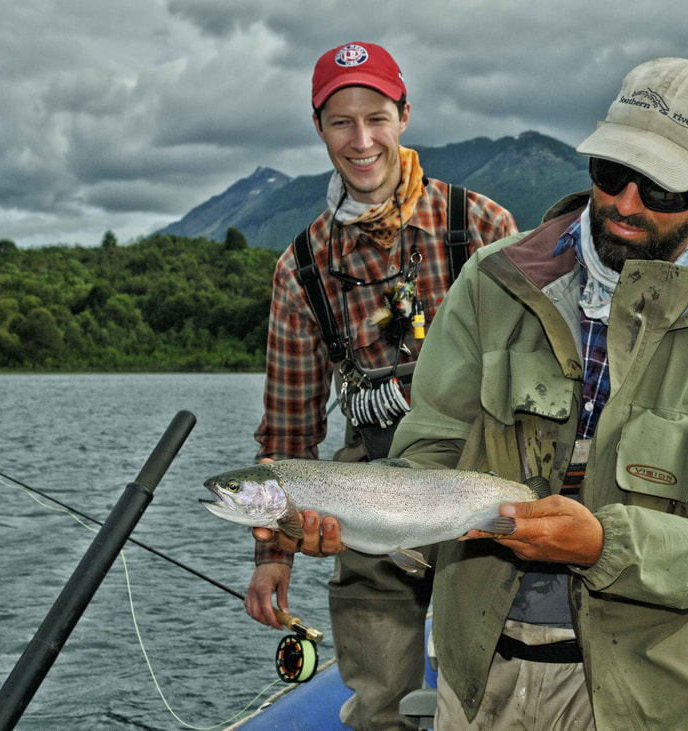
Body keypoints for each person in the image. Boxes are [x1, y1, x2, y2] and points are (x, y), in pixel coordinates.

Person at [384, 57, 688, 729]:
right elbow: (428, 452)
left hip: (644, 703)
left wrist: (603, 544)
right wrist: (358, 524)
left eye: (661, 188)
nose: (624, 204)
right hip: (477, 682)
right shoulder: (491, 283)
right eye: (610, 174)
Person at [246, 41, 517, 731]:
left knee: (503, 697)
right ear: (319, 128)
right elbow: (287, 430)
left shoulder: (481, 226)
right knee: (377, 710)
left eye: (376, 117)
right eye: (341, 122)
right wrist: (273, 553)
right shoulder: (300, 268)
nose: (361, 140)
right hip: (367, 497)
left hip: (480, 483)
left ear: (404, 115)